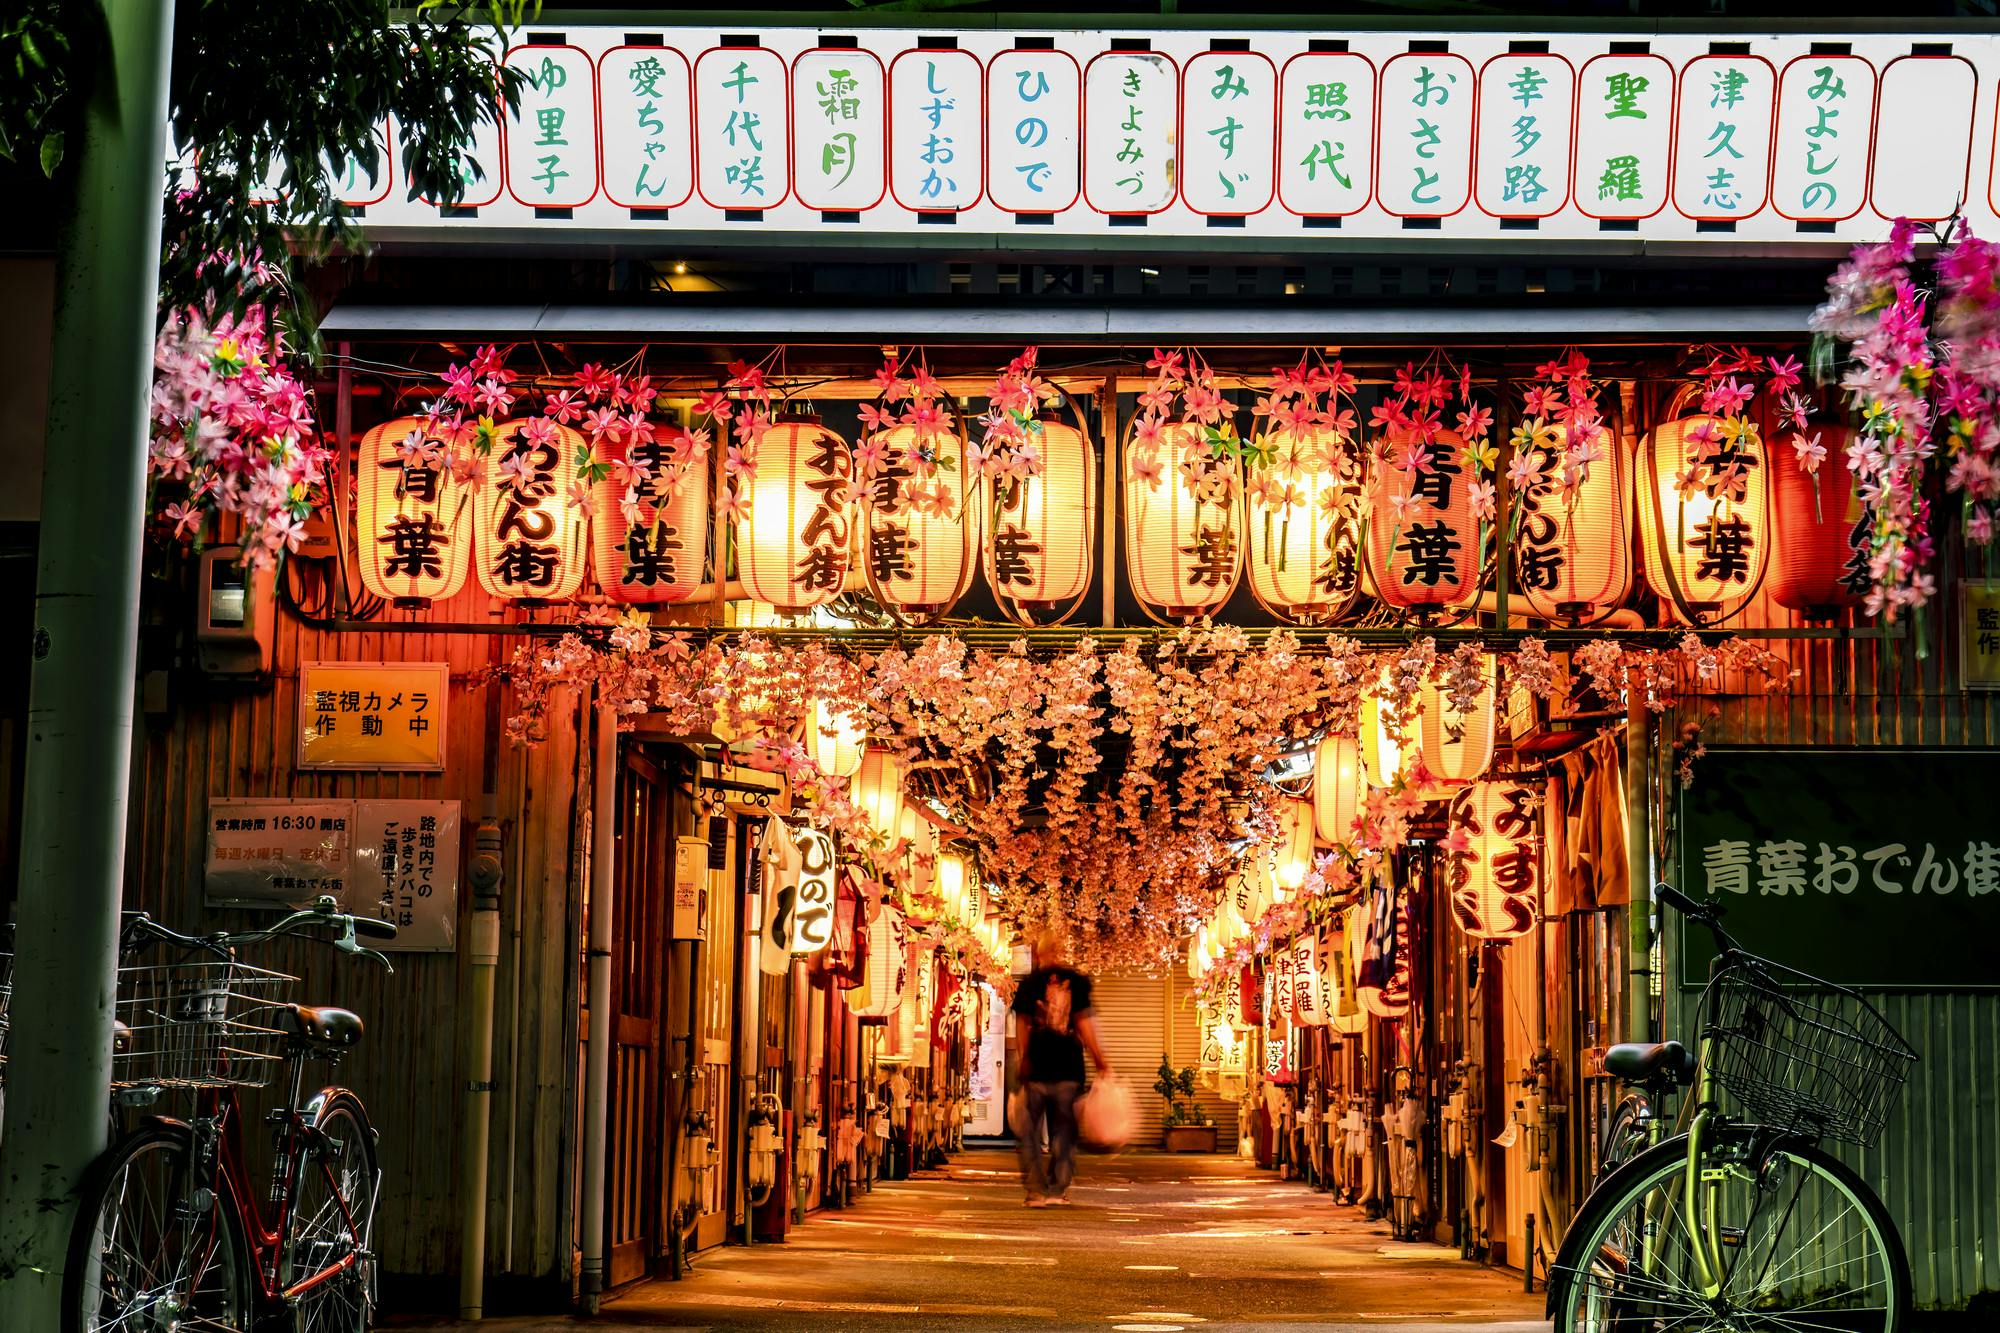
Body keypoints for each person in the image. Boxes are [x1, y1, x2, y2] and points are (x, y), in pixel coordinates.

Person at [1010, 928, 1110, 1207]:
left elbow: (1023, 1024)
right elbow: (1083, 1024)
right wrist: (1099, 1058)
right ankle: (1055, 1190)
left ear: (1038, 954)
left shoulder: (1032, 983)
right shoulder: (1074, 981)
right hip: (1064, 1069)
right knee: (1063, 1133)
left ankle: (1037, 1191)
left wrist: (1023, 1057)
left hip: (1042, 1068)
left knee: (1033, 1132)